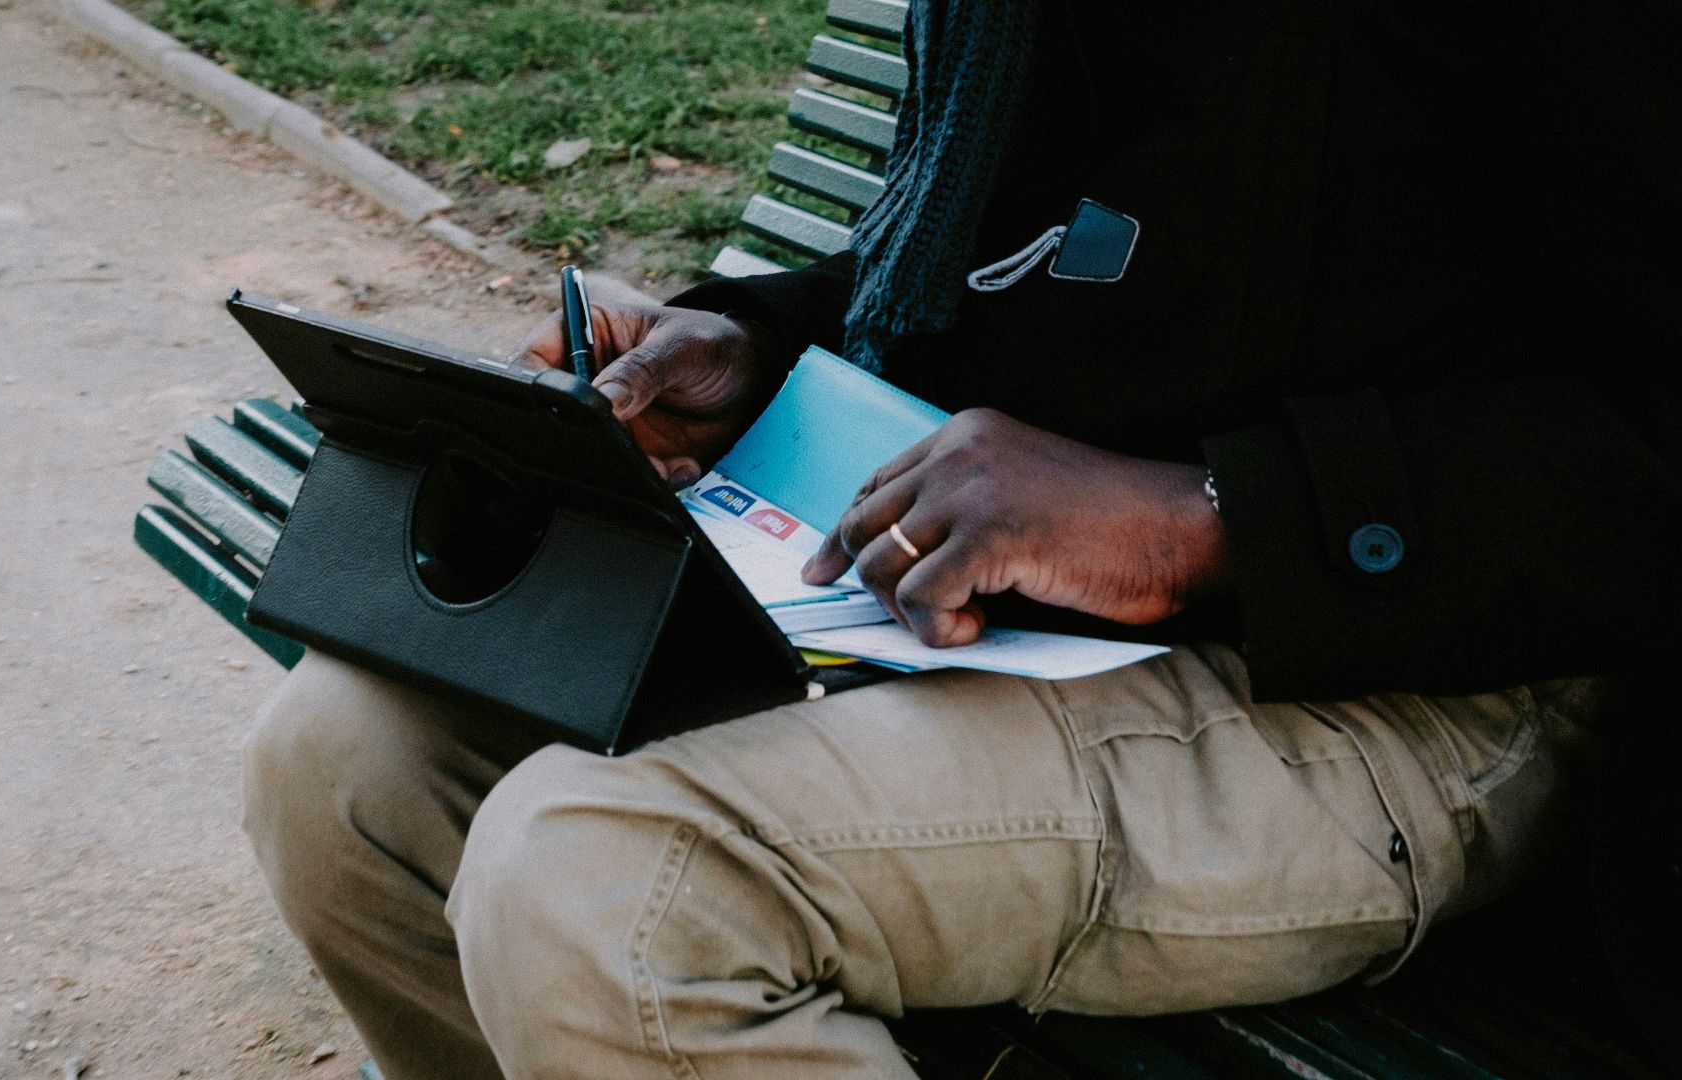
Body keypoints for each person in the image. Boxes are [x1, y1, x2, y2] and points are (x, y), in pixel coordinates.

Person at [242, 2, 1682, 1078]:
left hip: (1408, 673)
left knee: (613, 883)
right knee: (348, 767)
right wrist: (759, 350)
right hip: (997, 621)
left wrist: (1211, 524)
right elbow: (1008, 252)